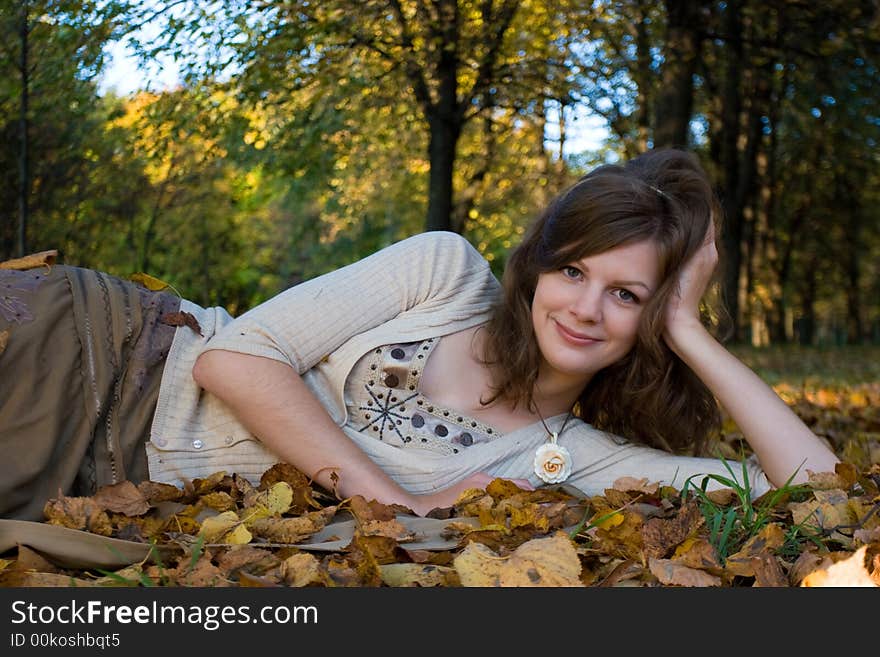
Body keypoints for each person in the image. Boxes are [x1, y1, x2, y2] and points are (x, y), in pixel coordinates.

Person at [0, 148, 839, 522]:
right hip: (102, 350)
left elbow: (813, 485)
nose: (585, 308)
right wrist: (394, 503)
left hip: (104, 467)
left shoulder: (571, 458)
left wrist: (688, 326)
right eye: (573, 272)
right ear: (539, 267)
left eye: (627, 295)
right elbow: (232, 359)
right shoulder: (445, 271)